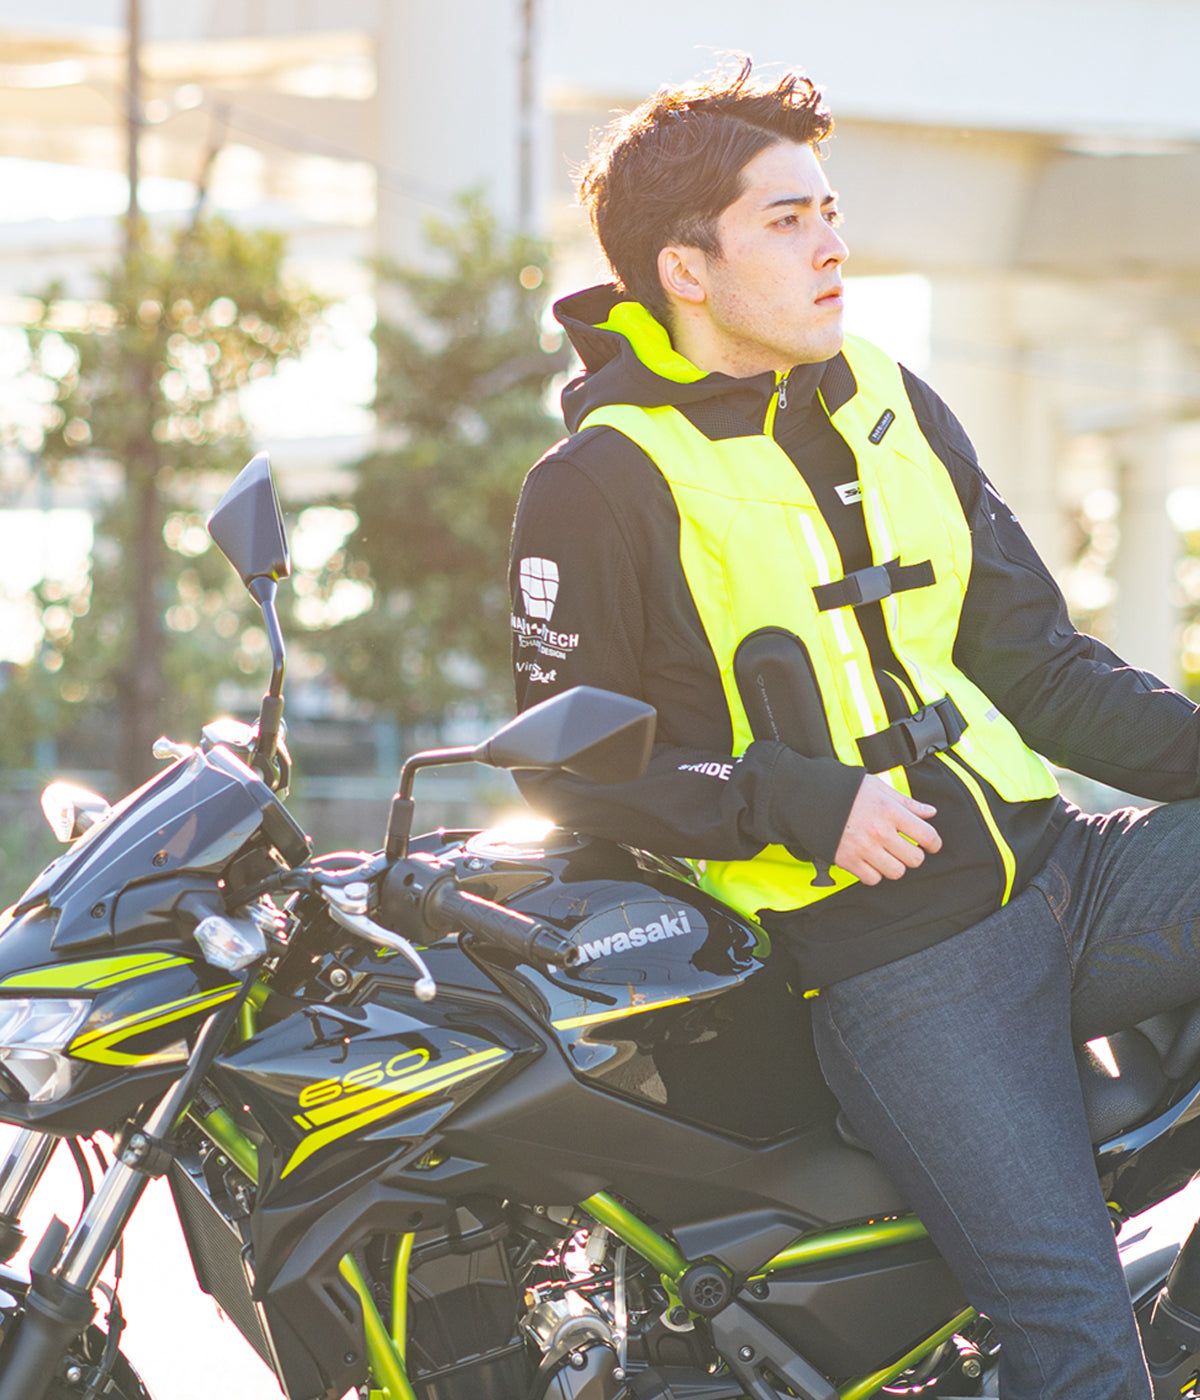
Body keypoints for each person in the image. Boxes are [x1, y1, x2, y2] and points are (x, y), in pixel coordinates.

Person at [507, 57, 1200, 1399]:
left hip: (1071, 872)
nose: (832, 242)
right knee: (1074, 1354)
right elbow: (571, 761)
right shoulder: (598, 483)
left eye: (829, 209)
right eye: (787, 218)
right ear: (686, 269)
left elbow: (1037, 665)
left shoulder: (888, 396)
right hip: (904, 972)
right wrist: (793, 800)